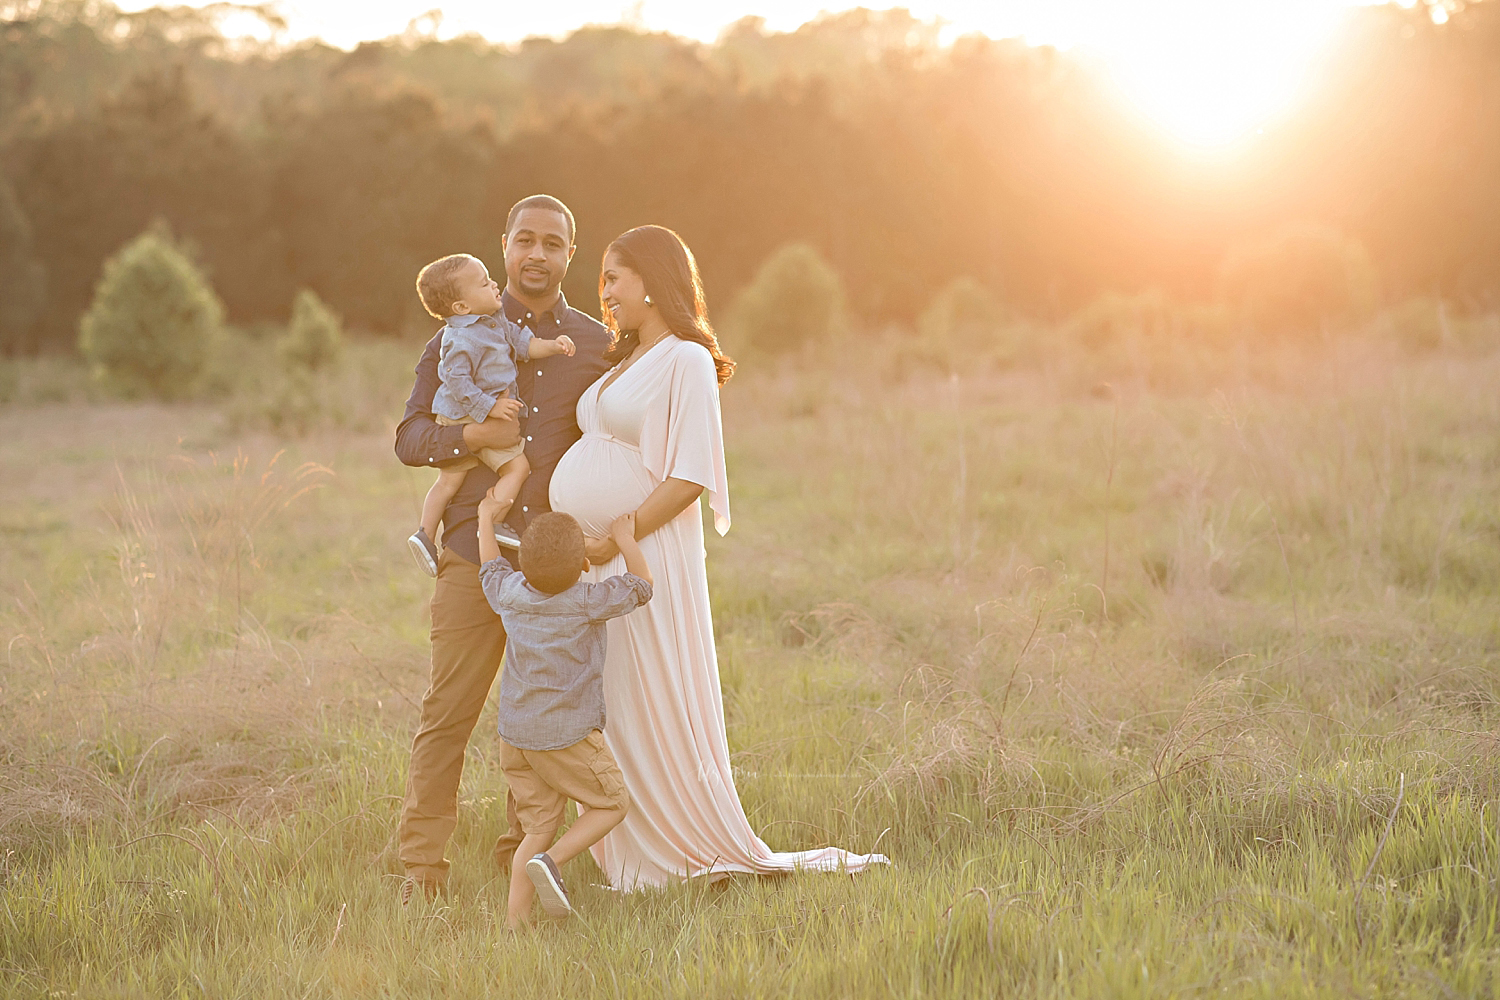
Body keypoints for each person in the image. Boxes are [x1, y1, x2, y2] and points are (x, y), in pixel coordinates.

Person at [547, 225, 889, 889]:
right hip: (599, 560)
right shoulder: (622, 361)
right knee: (613, 702)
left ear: (652, 279)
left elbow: (690, 475)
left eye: (616, 277)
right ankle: (627, 845)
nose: (606, 291)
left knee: (649, 695)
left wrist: (616, 535)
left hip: (642, 557)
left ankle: (678, 845)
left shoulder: (686, 360)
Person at [392, 195, 613, 903]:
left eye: (553, 242)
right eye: (526, 240)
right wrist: (473, 438)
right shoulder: (458, 330)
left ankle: (520, 851)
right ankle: (421, 869)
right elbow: (410, 439)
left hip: (551, 572)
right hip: (469, 552)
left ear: (570, 254)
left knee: (543, 719)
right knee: (448, 713)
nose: (537, 254)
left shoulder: (597, 344)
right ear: (506, 246)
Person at [474, 502, 651, 927]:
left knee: (536, 828)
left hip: (515, 737)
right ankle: (551, 863)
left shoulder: (510, 594)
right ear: (586, 565)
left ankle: (515, 927)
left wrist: (484, 520)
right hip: (565, 736)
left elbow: (489, 567)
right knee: (611, 803)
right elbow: (641, 586)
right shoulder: (586, 601)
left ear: (523, 560)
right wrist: (625, 538)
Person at [407, 252, 576, 575]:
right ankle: (428, 533)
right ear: (461, 308)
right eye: (484, 283)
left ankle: (478, 525)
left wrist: (553, 346)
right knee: (467, 479)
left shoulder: (495, 321)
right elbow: (456, 382)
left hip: (484, 416)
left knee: (474, 476)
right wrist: (491, 408)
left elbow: (524, 343)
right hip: (463, 417)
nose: (494, 284)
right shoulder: (457, 338)